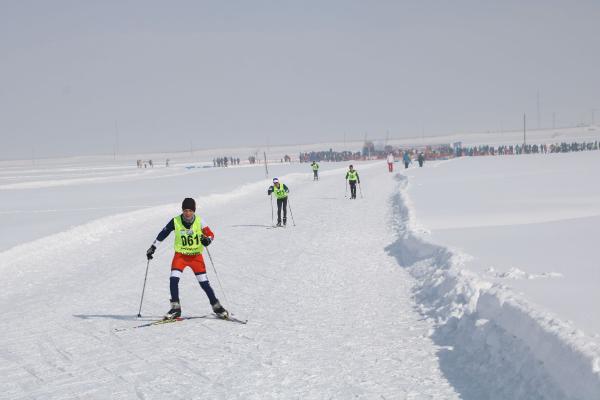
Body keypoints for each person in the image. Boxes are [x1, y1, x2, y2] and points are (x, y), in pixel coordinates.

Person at [146, 198, 229, 320]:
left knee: (204, 284)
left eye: (190, 210)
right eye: (185, 210)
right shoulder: (175, 221)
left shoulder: (200, 221)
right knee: (173, 279)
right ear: (182, 210)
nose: (188, 213)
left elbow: (210, 234)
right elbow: (163, 233)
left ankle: (217, 306)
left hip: (196, 257)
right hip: (180, 256)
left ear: (194, 211)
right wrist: (153, 247)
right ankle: (175, 308)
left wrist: (208, 240)